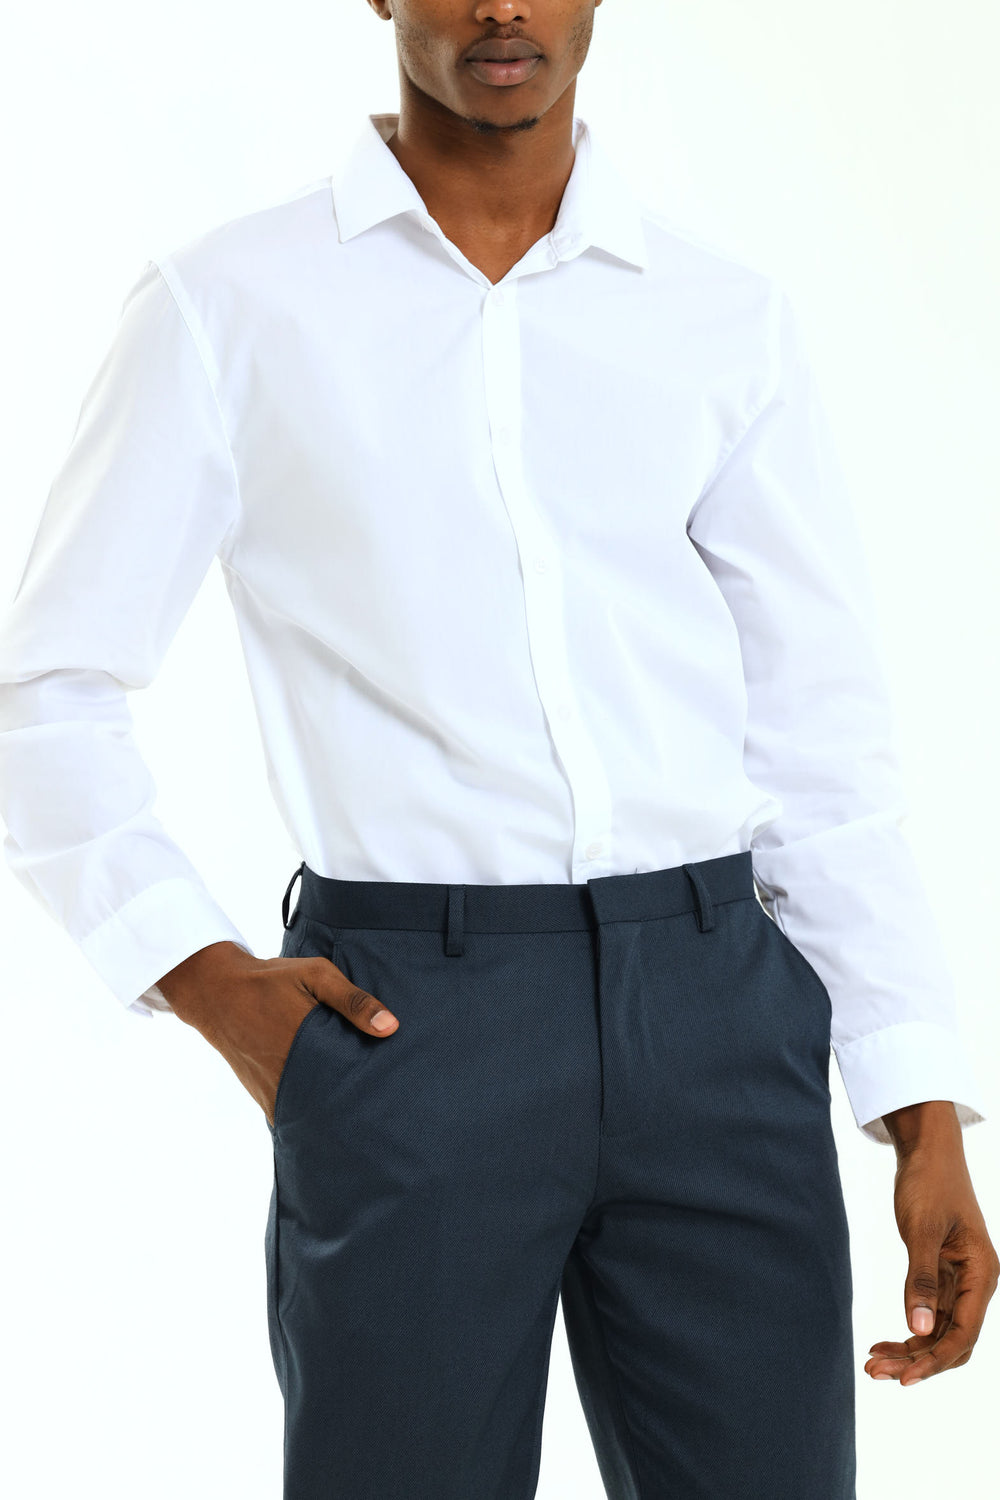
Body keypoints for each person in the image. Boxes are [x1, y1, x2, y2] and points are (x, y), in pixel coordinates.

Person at [0, 2, 995, 1496]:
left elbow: (820, 741)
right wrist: (206, 981)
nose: (503, 8)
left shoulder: (718, 316)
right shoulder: (230, 305)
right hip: (414, 1027)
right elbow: (48, 688)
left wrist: (919, 1108)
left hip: (719, 1011)